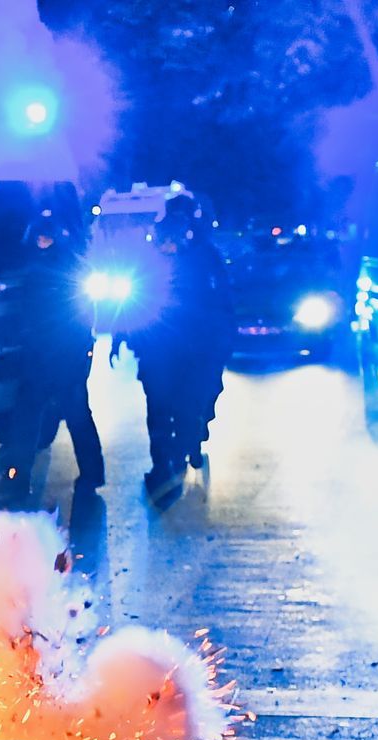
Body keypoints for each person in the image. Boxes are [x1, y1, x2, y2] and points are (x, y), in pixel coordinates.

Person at [121, 193, 230, 508]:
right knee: (160, 412)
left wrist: (219, 343)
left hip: (192, 353)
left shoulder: (203, 256)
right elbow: (135, 300)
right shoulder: (154, 257)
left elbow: (219, 303)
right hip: (160, 353)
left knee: (185, 408)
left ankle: (183, 453)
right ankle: (164, 467)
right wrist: (126, 336)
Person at [0, 212, 105, 506]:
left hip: (63, 358)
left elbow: (82, 317)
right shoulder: (43, 269)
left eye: (46, 236)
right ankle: (18, 479)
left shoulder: (67, 270)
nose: (42, 241)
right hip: (43, 359)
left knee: (76, 418)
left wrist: (80, 355)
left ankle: (90, 475)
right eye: (39, 236)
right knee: (30, 420)